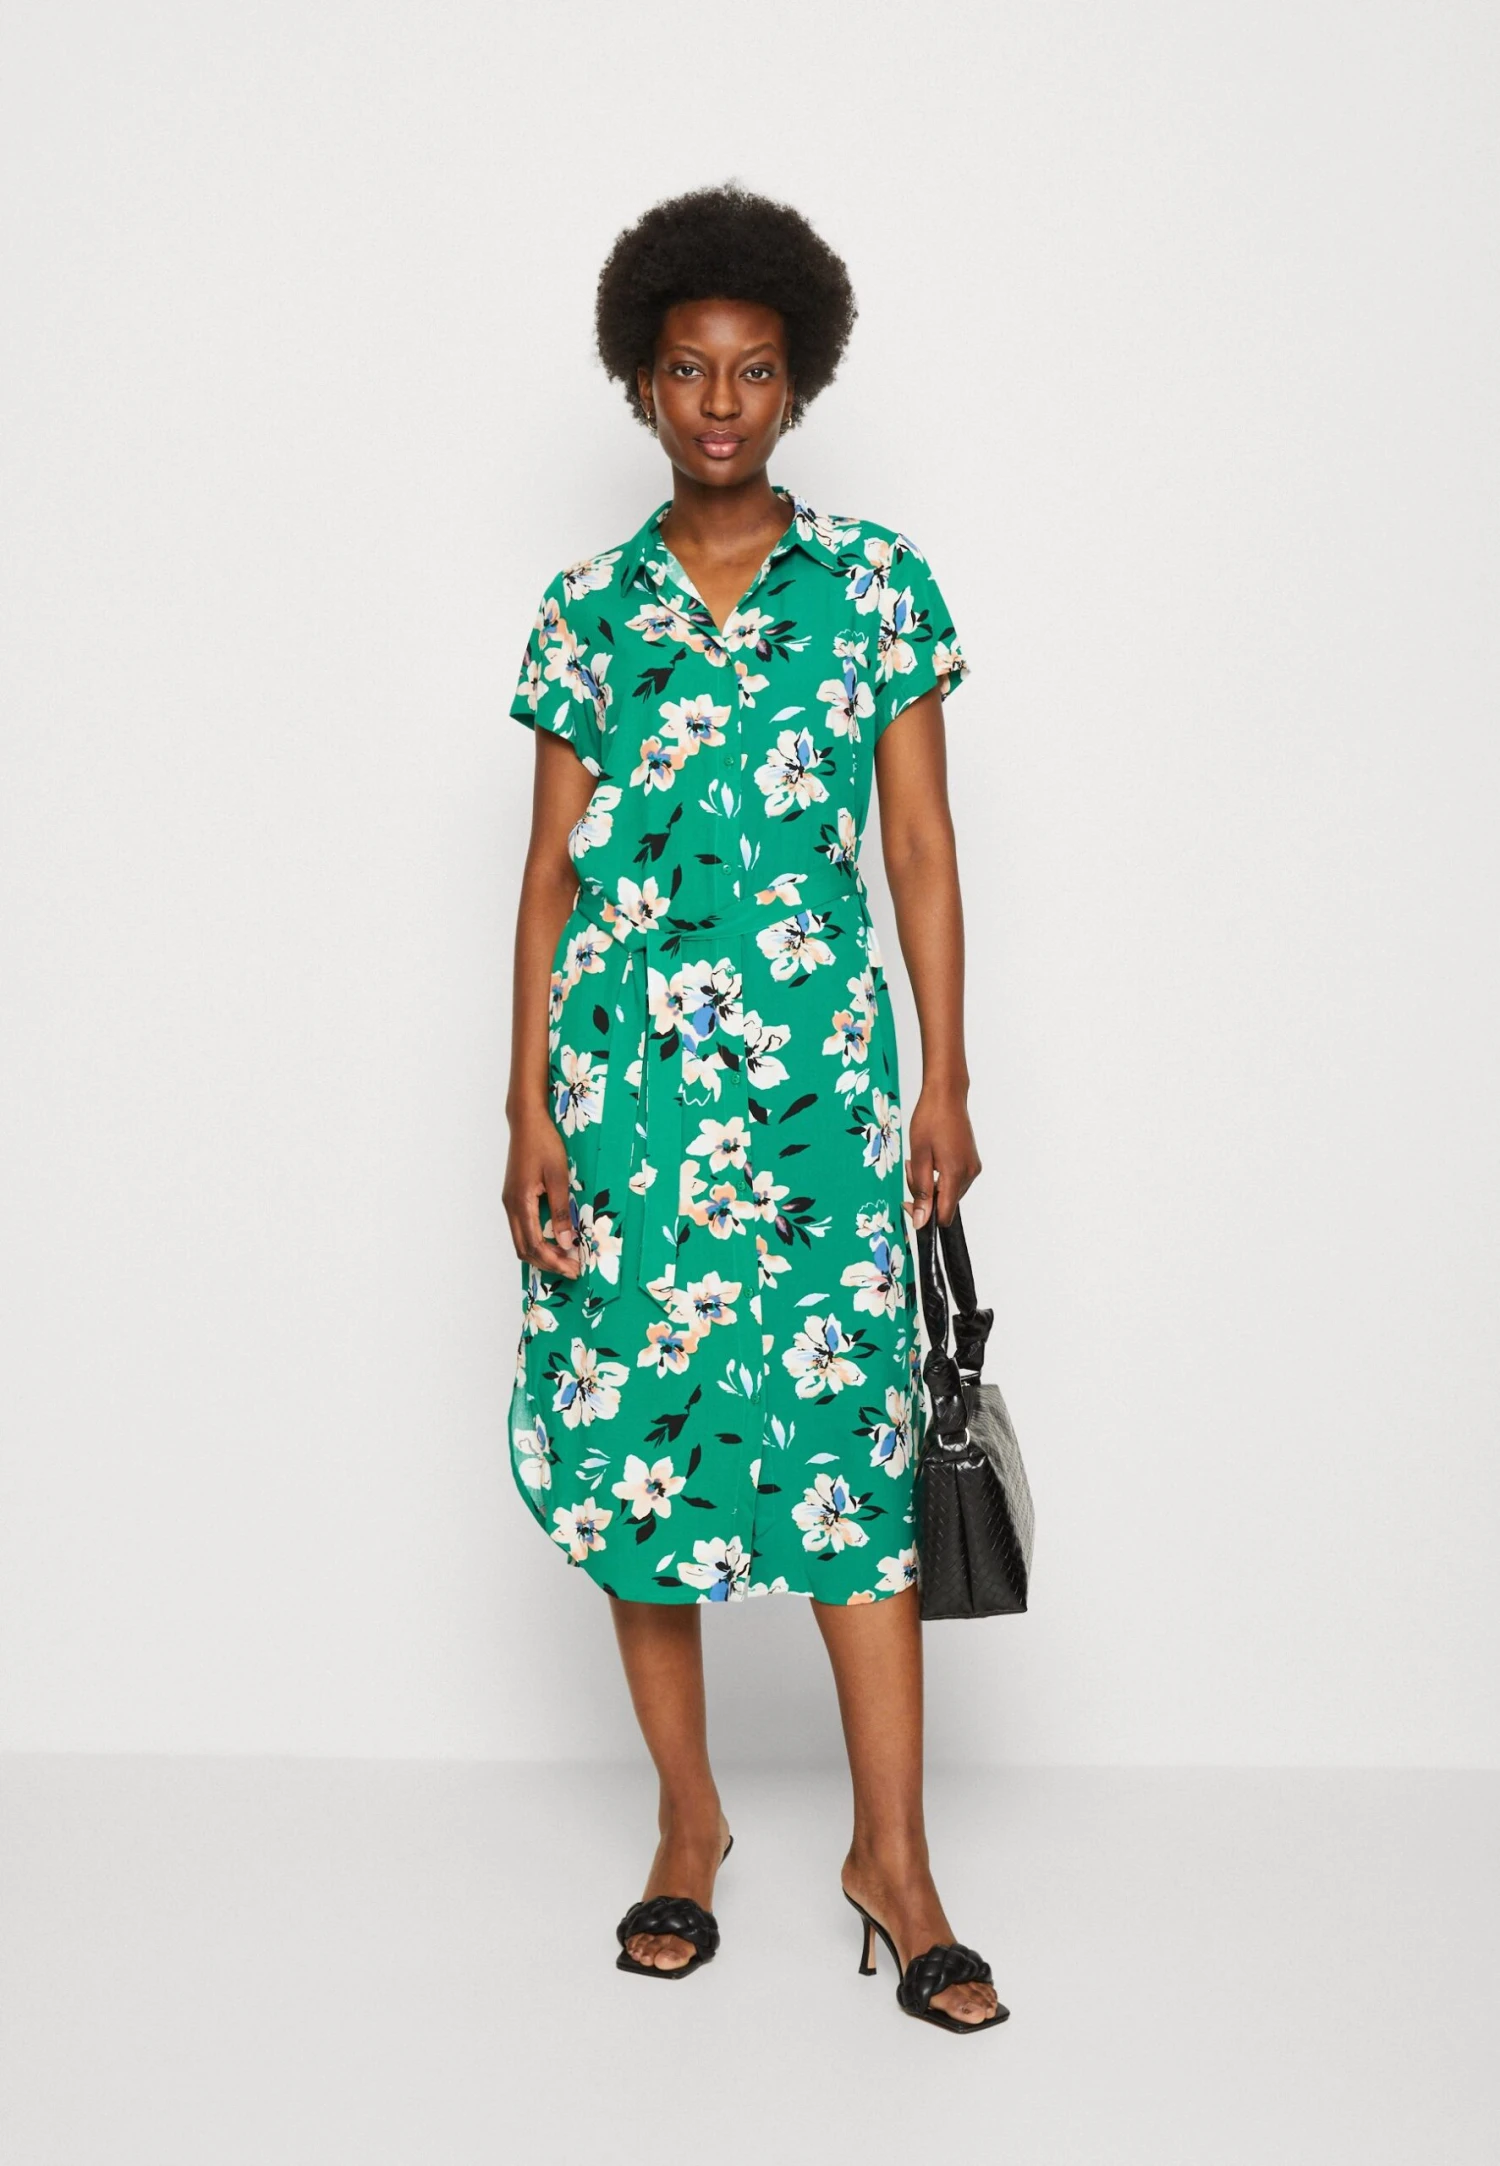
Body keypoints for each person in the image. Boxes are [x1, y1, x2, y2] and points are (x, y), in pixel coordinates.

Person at [502, 184, 1004, 2032]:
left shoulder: (876, 587)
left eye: (757, 372)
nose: (722, 403)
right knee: (640, 1454)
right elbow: (547, 878)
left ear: (800, 384)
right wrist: (524, 1110)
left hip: (815, 1101)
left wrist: (947, 1072)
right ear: (640, 384)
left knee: (853, 1476)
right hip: (622, 1103)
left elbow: (921, 847)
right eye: (689, 371)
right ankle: (688, 1823)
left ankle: (898, 1864)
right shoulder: (586, 610)